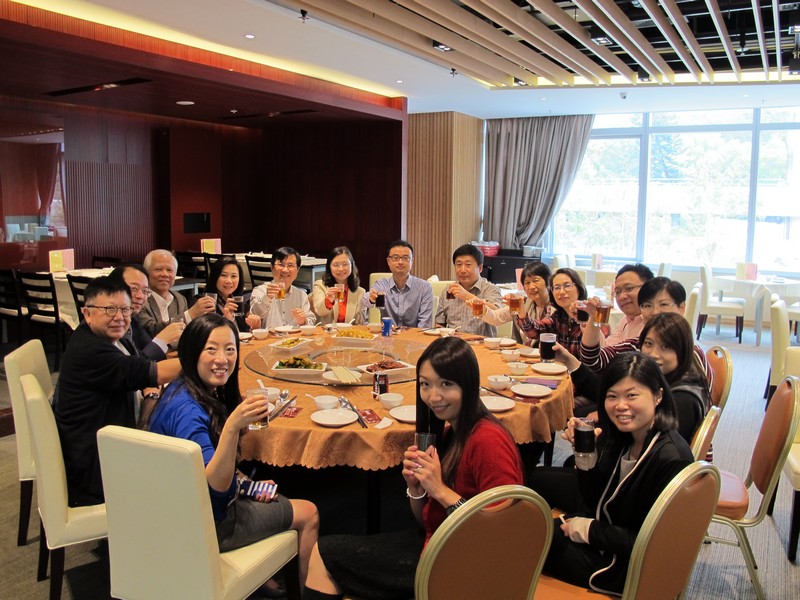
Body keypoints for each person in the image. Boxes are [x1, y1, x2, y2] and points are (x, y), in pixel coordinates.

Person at [303, 336, 523, 599]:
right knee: (328, 551)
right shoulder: (453, 431)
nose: (433, 396)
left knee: (325, 555)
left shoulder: (487, 439)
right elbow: (426, 520)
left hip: (464, 569)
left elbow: (506, 531)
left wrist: (440, 490)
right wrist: (417, 488)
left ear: (468, 384)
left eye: (446, 384)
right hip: (441, 545)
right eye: (425, 384)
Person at [147, 314, 319, 590]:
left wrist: (247, 484)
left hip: (172, 512)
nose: (222, 359)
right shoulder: (188, 412)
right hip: (205, 526)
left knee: (262, 488)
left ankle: (262, 576)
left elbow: (202, 471)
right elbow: (214, 487)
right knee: (309, 512)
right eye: (211, 349)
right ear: (191, 351)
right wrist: (232, 427)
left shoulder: (180, 390)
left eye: (230, 350)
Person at [533, 352, 693, 595]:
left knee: (525, 541)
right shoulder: (625, 436)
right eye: (611, 396)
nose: (620, 406)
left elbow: (652, 544)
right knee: (530, 528)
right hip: (608, 536)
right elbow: (593, 499)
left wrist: (588, 530)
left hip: (624, 567)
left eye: (631, 395)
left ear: (658, 395)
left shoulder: (671, 458)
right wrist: (583, 453)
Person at [53, 277, 181, 507]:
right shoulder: (90, 350)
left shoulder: (112, 337)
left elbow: (140, 366)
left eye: (125, 309)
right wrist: (212, 357)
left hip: (106, 442)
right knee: (184, 453)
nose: (119, 317)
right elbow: (154, 372)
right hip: (99, 466)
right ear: (87, 313)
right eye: (109, 310)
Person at [579, 278, 713, 387]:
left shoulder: (692, 353)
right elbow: (593, 360)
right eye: (647, 305)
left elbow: (700, 403)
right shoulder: (639, 344)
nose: (655, 312)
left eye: (664, 304)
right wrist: (593, 317)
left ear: (682, 308)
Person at [639, 313, 710, 444]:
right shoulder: (667, 377)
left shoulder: (682, 399)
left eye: (666, 347)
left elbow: (659, 447)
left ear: (682, 350)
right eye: (648, 343)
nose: (653, 354)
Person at [109, 263, 184, 360]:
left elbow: (146, 348)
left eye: (145, 291)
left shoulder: (133, 317)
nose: (140, 296)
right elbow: (134, 369)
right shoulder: (106, 324)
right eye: (134, 289)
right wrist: (161, 340)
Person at [139, 249, 215, 336]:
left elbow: (187, 332)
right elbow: (150, 331)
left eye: (169, 270)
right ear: (146, 273)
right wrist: (190, 314)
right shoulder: (140, 300)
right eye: (158, 269)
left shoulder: (180, 299)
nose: (165, 274)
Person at [516, 268, 588, 358]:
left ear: (579, 288)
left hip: (583, 371)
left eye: (567, 285)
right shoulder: (558, 316)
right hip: (559, 370)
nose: (561, 292)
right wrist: (521, 309)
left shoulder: (590, 314)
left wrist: (586, 322)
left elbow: (597, 354)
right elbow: (534, 330)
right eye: (557, 288)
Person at [434, 244, 502, 336]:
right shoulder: (448, 290)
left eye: (468, 265)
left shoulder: (491, 289)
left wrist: (467, 296)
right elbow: (439, 324)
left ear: (480, 268)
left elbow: (497, 314)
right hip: (453, 345)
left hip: (481, 346)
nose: (462, 270)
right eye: (458, 265)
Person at [363, 239, 434, 329]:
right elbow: (364, 301)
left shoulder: (425, 287)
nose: (400, 262)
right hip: (387, 337)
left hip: (414, 338)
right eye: (395, 258)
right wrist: (371, 298)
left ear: (412, 261)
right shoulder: (381, 285)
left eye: (405, 258)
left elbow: (424, 325)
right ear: (388, 261)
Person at [478, 261, 553, 344]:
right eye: (527, 282)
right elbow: (496, 318)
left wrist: (522, 314)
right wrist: (481, 309)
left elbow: (537, 332)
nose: (531, 287)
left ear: (548, 282)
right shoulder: (523, 303)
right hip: (523, 353)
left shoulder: (556, 307)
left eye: (536, 281)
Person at [249, 247, 316, 328]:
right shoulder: (260, 291)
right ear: (272, 267)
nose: (285, 270)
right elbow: (256, 314)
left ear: (298, 270)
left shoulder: (301, 295)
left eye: (290, 265)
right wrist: (267, 297)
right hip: (270, 339)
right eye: (281, 264)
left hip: (295, 339)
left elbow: (311, 320)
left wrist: (304, 321)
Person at [191, 256, 256, 331]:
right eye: (223, 275)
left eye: (234, 276)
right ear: (215, 276)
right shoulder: (202, 302)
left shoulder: (239, 302)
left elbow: (246, 331)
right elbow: (202, 333)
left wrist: (254, 326)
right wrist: (226, 318)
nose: (229, 281)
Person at [600, 264, 654, 347]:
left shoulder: (655, 324)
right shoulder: (626, 320)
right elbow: (607, 348)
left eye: (629, 288)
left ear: (648, 288)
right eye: (617, 292)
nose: (622, 297)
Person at [311, 246, 367, 325]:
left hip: (348, 335)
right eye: (336, 265)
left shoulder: (360, 292)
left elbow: (360, 323)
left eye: (345, 264)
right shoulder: (320, 285)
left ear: (352, 265)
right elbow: (319, 311)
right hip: (326, 334)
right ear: (329, 267)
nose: (340, 269)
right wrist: (328, 300)